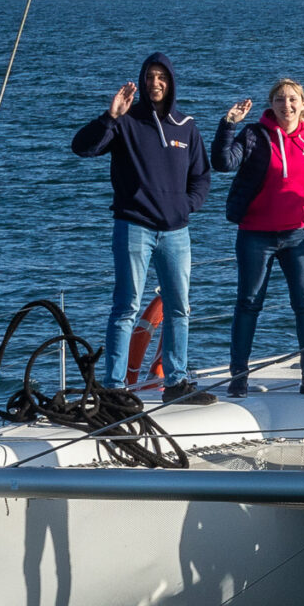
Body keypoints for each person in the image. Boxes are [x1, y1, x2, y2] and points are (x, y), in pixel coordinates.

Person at [70, 52, 214, 403]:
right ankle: (114, 387)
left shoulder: (186, 126)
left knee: (179, 308)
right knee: (126, 307)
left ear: (171, 82)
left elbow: (201, 177)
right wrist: (110, 117)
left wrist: (185, 206)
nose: (155, 83)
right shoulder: (125, 122)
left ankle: (176, 382)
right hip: (134, 227)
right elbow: (82, 148)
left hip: (176, 232)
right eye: (149, 77)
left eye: (161, 77)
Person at [212, 78, 304, 398]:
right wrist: (228, 124)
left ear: (303, 103)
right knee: (249, 303)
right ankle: (239, 376)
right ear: (271, 104)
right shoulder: (254, 135)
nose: (286, 105)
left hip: (299, 235)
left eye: (292, 99)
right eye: (280, 99)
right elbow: (223, 163)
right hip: (255, 234)